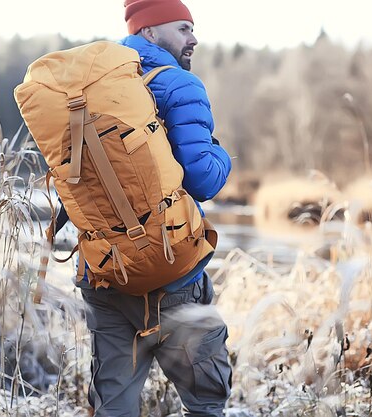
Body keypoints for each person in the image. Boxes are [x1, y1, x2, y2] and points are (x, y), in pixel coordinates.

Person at [79, 0, 233, 416]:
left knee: (113, 407)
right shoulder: (179, 85)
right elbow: (203, 178)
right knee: (206, 401)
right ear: (149, 32)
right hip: (171, 274)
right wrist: (224, 157)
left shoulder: (91, 85)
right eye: (183, 28)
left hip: (106, 272)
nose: (194, 38)